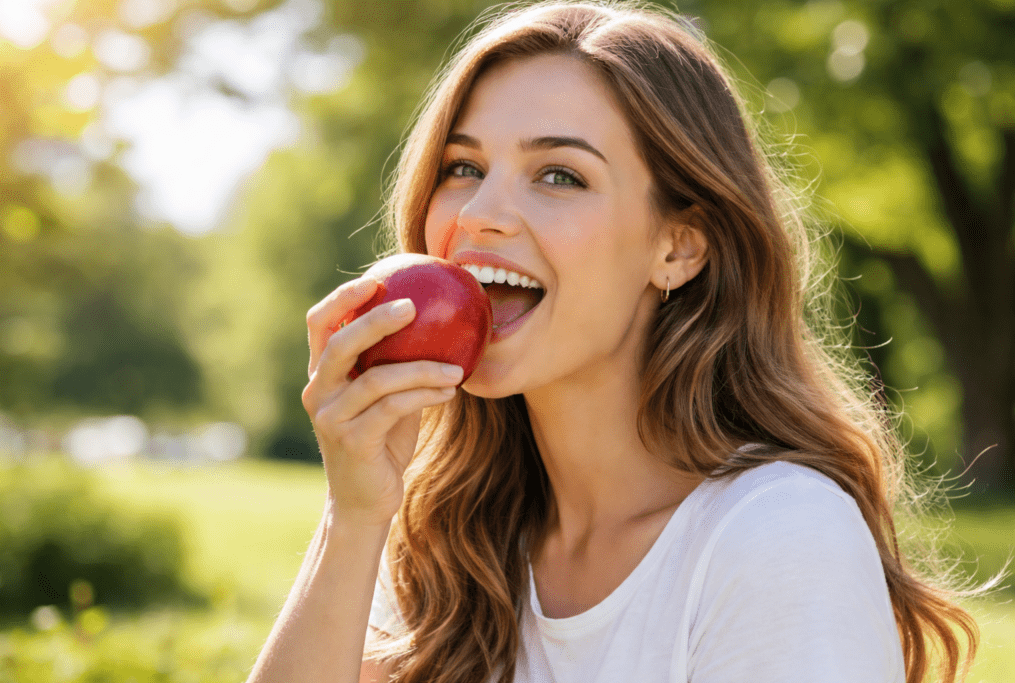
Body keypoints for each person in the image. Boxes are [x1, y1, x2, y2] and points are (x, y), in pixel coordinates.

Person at [247, 2, 983, 682]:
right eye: (463, 167)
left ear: (678, 247)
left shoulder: (777, 537)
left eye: (560, 175)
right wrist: (353, 519)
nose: (479, 213)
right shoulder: (449, 536)